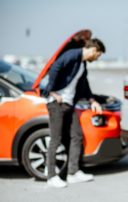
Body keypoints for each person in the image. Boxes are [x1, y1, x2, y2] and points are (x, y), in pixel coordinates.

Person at [42, 38, 105, 188]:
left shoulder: (82, 65)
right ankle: (51, 176)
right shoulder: (72, 55)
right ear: (93, 50)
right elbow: (55, 67)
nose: (96, 59)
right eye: (98, 55)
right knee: (55, 139)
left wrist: (92, 100)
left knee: (76, 136)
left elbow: (85, 85)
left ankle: (73, 173)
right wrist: (51, 91)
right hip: (56, 104)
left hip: (69, 104)